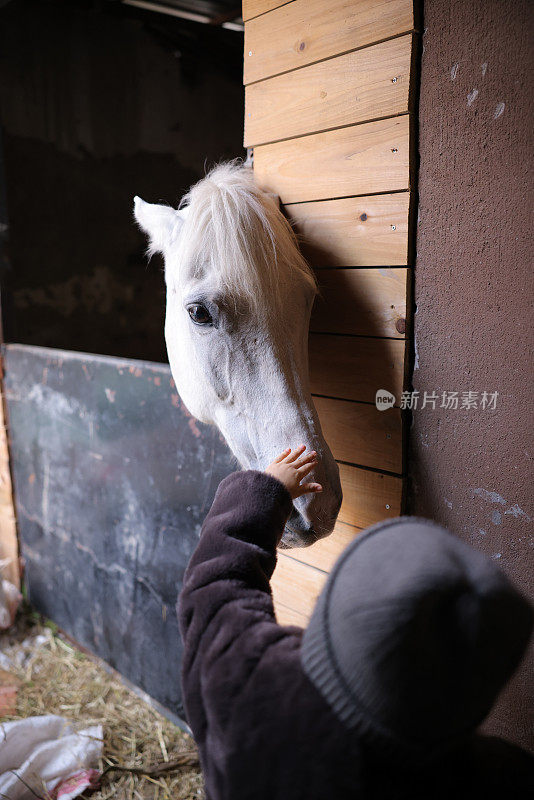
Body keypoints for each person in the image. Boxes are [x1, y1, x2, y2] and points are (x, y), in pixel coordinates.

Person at [178, 446, 534, 800]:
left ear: (330, 609)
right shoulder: (485, 778)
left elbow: (215, 587)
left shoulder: (246, 680)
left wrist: (268, 490)